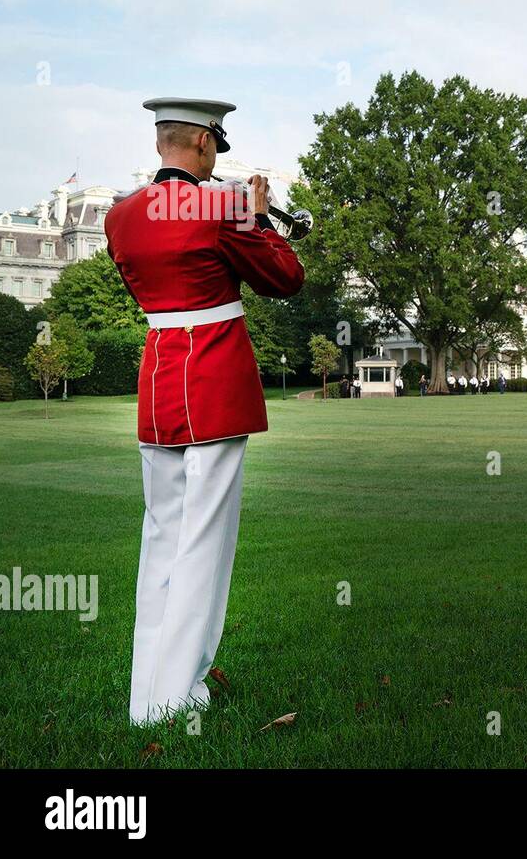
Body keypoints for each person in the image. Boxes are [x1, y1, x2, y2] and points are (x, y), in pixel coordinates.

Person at [105, 97, 304, 725]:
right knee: (204, 544)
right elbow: (286, 278)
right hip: (214, 377)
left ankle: (146, 697)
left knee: (161, 536)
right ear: (199, 143)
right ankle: (175, 697)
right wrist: (260, 219)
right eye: (215, 143)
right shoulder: (223, 209)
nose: (217, 154)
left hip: (159, 375)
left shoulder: (118, 217)